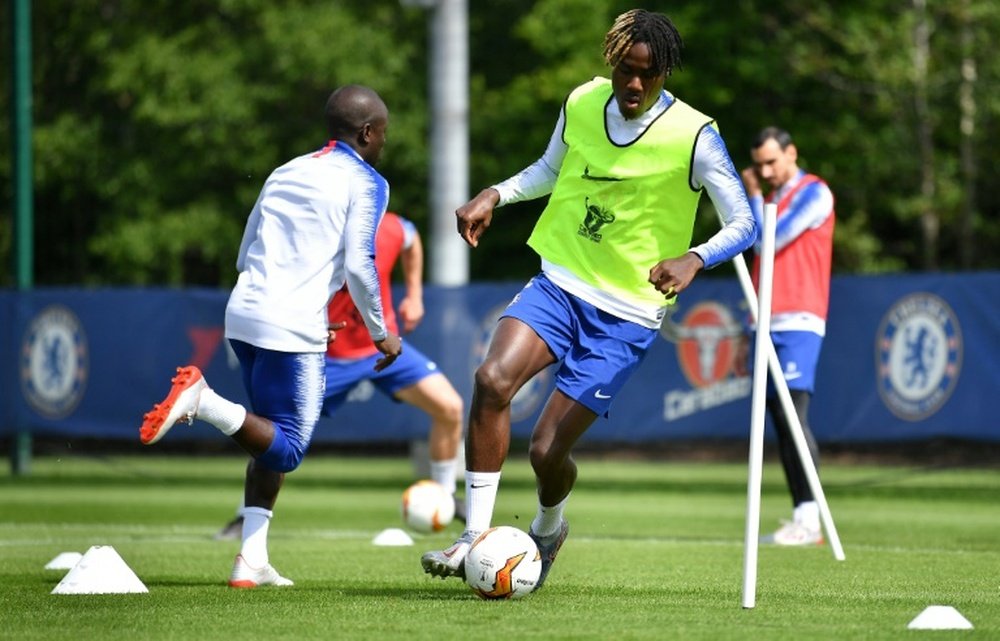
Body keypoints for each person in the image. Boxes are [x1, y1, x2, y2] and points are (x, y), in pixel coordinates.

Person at [421, 9, 757, 589]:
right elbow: (551, 169)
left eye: (647, 76)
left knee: (547, 452)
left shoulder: (696, 134)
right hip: (560, 283)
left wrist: (695, 257)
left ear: (665, 73)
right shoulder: (581, 102)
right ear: (612, 63)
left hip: (627, 316)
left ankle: (548, 527)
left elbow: (745, 221)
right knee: (492, 379)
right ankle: (473, 536)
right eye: (626, 70)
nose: (633, 85)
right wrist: (494, 194)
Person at [139, 84, 402, 587]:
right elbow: (361, 265)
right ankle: (202, 401)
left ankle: (251, 560)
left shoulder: (286, 170)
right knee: (287, 448)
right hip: (288, 323)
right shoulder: (368, 182)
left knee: (266, 437)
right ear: (369, 133)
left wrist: (301, 304)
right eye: (383, 134)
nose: (383, 143)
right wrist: (380, 333)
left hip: (244, 314)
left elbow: (245, 252)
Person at [213, 212, 466, 541]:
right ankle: (245, 517)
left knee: (450, 407)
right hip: (326, 356)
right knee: (279, 435)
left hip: (382, 346)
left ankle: (445, 498)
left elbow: (411, 237)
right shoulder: (314, 238)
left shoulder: (387, 227)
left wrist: (415, 295)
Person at [737, 126, 835, 546]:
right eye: (759, 164)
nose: (765, 170)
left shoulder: (815, 192)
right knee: (778, 419)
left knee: (795, 415)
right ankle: (802, 514)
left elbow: (769, 240)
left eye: (772, 162)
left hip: (798, 318)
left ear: (791, 153)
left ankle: (810, 517)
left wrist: (754, 194)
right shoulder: (772, 199)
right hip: (764, 319)